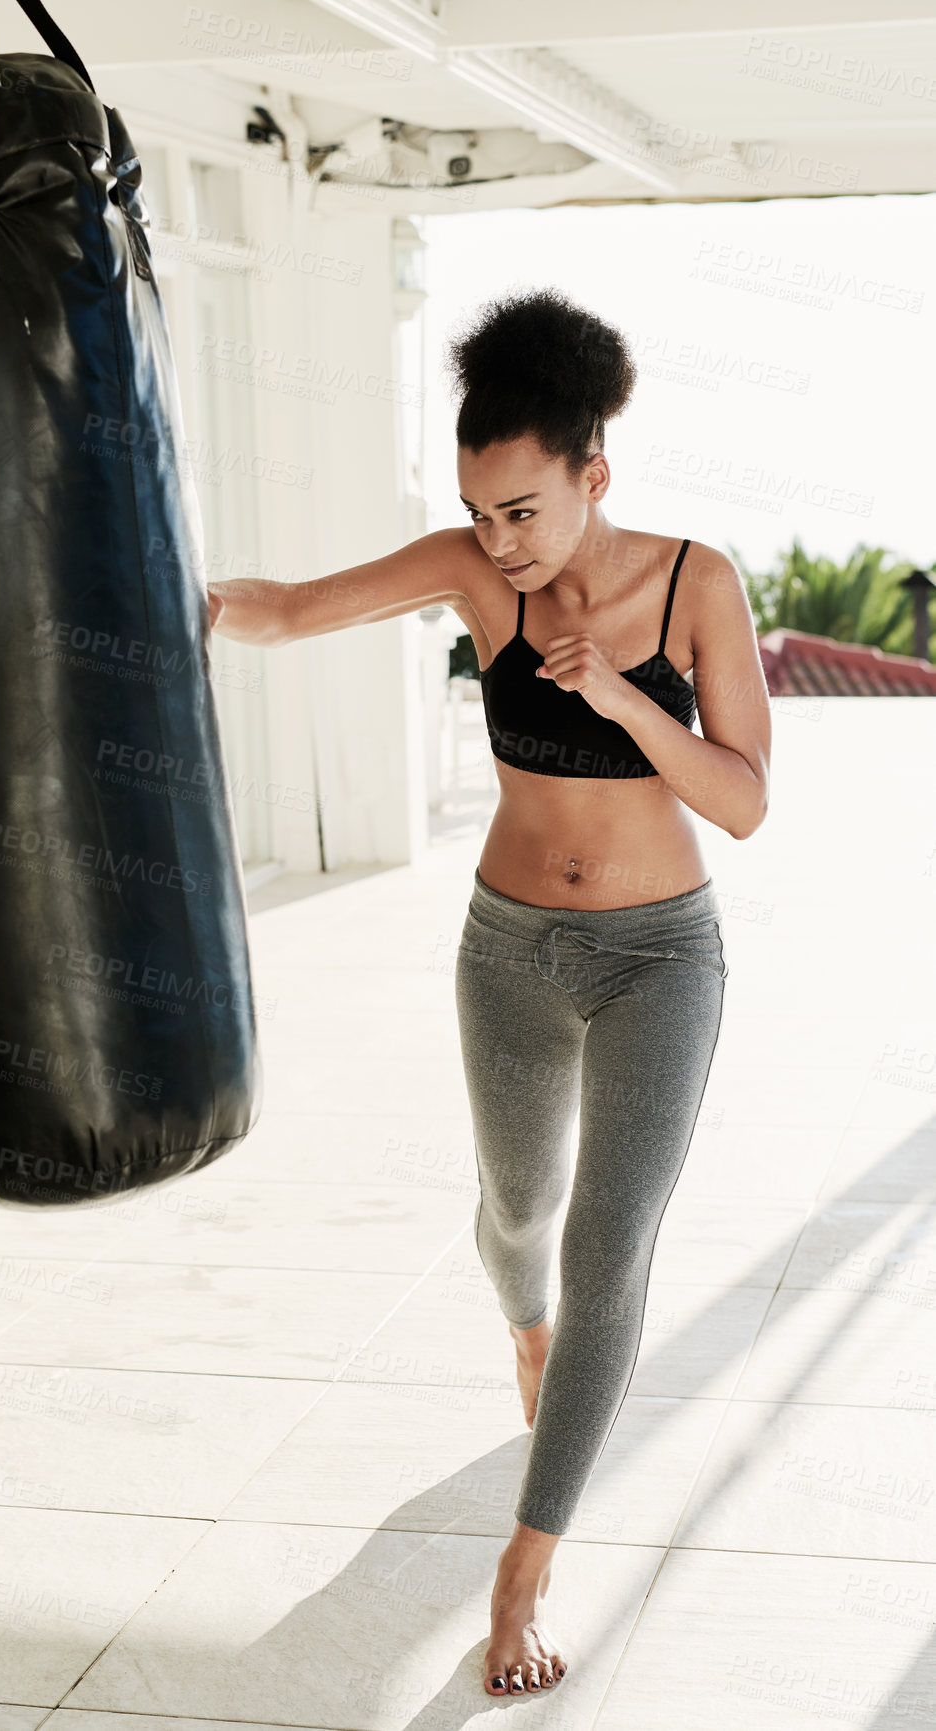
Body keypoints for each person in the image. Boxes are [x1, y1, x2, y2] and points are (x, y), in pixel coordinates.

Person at [207, 286, 771, 1698]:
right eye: (481, 511)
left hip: (660, 960)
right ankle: (525, 1333)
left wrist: (633, 700)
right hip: (509, 949)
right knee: (515, 1217)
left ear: (594, 472)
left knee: (608, 1247)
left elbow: (747, 801)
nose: (501, 540)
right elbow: (285, 612)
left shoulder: (698, 583)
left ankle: (524, 1563)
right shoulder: (471, 574)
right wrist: (163, 593)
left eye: (526, 508)